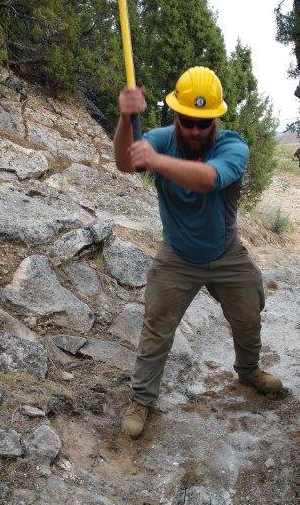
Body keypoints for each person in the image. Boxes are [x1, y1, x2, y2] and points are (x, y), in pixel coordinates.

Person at [114, 66, 285, 438]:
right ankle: (141, 399)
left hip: (226, 253)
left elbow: (208, 180)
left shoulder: (233, 147)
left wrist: (155, 161)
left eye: (203, 123)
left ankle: (249, 371)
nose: (194, 130)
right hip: (177, 254)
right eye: (188, 121)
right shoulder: (160, 139)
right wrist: (126, 120)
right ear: (176, 114)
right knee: (157, 326)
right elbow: (125, 163)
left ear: (215, 120)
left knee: (249, 314)